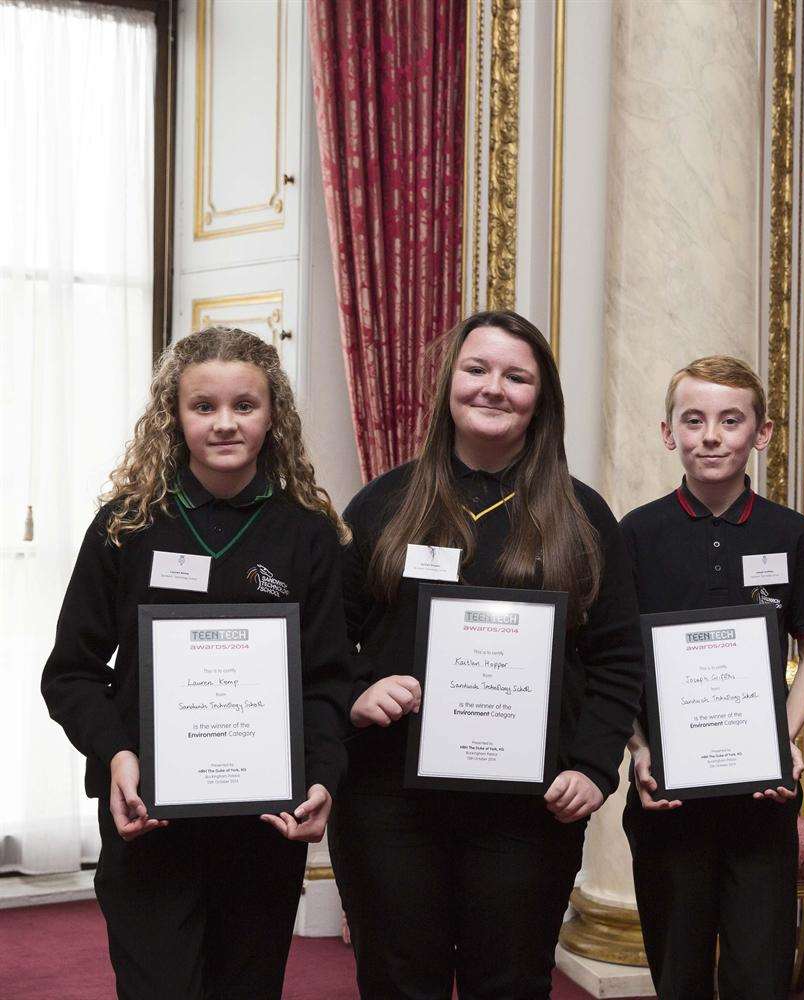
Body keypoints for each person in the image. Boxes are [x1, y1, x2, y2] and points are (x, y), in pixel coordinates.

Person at [331, 309, 644, 999]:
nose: (493, 388)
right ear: (449, 383)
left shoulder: (584, 518)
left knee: (508, 983)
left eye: (516, 376)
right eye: (477, 370)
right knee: (397, 982)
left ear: (541, 398)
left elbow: (620, 658)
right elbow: (322, 640)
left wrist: (595, 767)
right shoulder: (382, 505)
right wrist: (358, 689)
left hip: (528, 811)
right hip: (389, 802)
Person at [40, 326, 352, 999]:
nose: (224, 423)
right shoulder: (127, 526)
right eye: (202, 406)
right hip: (149, 816)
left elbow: (329, 681)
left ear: (274, 418)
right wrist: (119, 754)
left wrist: (323, 776)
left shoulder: (308, 533)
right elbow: (70, 672)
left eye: (245, 405)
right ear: (173, 417)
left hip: (263, 828)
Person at [619, 356, 804, 999]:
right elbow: (617, 664)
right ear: (669, 434)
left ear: (761, 434)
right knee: (678, 973)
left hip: (760, 802)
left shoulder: (792, 534)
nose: (711, 435)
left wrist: (783, 743)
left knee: (759, 977)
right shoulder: (635, 535)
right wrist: (640, 751)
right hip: (669, 796)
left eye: (730, 420)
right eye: (694, 420)